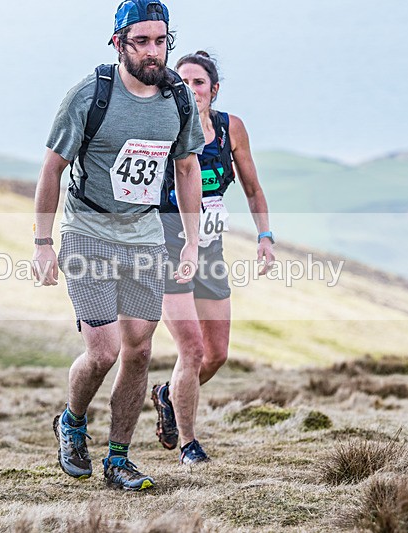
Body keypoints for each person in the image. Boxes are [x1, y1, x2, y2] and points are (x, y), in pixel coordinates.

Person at [32, 0, 204, 491]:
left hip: (145, 237)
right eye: (142, 41)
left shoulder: (177, 98)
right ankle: (72, 419)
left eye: (161, 40)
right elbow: (52, 169)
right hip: (87, 232)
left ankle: (118, 458)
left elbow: (187, 167)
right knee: (104, 352)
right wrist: (43, 243)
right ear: (118, 43)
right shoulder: (90, 95)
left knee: (140, 349)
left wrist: (191, 243)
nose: (154, 52)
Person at [151, 52, 275, 464]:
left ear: (213, 89)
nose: (190, 89)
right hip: (168, 248)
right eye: (181, 82)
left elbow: (253, 189)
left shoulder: (229, 129)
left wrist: (265, 236)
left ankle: (170, 394)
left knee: (216, 353)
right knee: (191, 350)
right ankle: (189, 445)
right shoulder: (160, 126)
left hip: (211, 250)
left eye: (198, 82)